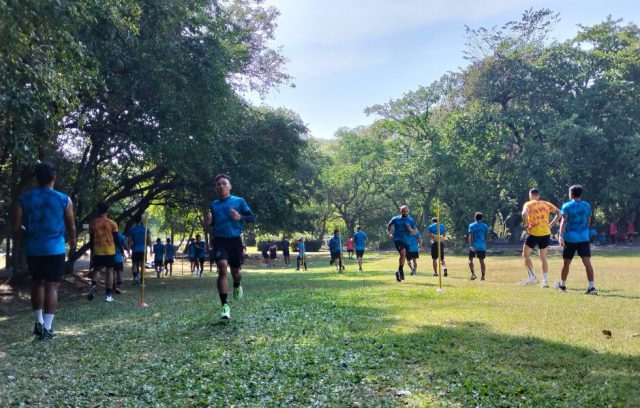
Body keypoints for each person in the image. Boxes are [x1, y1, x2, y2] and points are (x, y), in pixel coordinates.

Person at [14, 161, 76, 340]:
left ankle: (38, 322)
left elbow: (17, 227)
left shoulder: (24, 199)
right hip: (55, 249)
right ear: (53, 178)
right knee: (52, 287)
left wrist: (29, 231)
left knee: (37, 283)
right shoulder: (64, 199)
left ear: (37, 179)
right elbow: (70, 226)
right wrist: (72, 242)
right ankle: (47, 328)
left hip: (33, 249)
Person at [205, 174, 254, 320]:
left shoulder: (239, 201)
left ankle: (237, 284)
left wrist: (240, 217)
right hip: (220, 241)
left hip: (235, 241)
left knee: (236, 272)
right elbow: (214, 223)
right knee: (222, 269)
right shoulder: (213, 205)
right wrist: (209, 223)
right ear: (215, 187)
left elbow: (252, 217)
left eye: (224, 183)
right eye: (218, 184)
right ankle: (225, 306)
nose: (221, 186)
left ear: (229, 186)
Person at [555, 185, 598, 295]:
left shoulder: (567, 205)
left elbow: (564, 221)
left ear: (571, 194)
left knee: (566, 263)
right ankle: (592, 287)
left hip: (570, 238)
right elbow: (588, 221)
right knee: (587, 263)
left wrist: (560, 235)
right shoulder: (587, 206)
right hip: (584, 238)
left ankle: (563, 285)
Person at [520, 188, 561, 287]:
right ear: (539, 195)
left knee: (525, 255)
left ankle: (532, 277)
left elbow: (523, 213)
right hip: (545, 233)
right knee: (543, 258)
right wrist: (551, 224)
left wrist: (526, 225)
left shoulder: (528, 204)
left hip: (533, 233)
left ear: (531, 195)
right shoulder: (546, 204)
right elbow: (559, 213)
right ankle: (545, 281)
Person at [88, 202, 119, 302]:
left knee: (97, 270)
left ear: (98, 211)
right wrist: (121, 250)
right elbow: (116, 238)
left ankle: (93, 285)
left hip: (97, 250)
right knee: (110, 271)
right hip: (110, 250)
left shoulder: (93, 223)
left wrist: (92, 251)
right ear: (107, 211)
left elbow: (91, 239)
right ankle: (108, 295)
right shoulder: (112, 223)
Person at [387, 205, 418, 282]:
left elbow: (415, 232)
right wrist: (389, 233)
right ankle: (401, 271)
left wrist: (410, 229)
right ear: (400, 211)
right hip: (397, 239)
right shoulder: (395, 219)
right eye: (404, 211)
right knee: (403, 253)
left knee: (403, 256)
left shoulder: (411, 220)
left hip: (406, 241)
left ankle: (398, 272)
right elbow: (389, 225)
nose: (406, 212)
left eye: (407, 211)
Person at [128, 215, 150, 285]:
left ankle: (135, 277)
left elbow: (129, 240)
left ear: (134, 221)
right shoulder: (146, 229)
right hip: (143, 249)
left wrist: (128, 249)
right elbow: (149, 239)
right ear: (141, 220)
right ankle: (142, 280)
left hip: (135, 249)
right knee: (142, 265)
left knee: (134, 264)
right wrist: (151, 247)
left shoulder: (132, 229)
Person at [468, 212, 489, 281]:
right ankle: (483, 276)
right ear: (482, 218)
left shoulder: (471, 225)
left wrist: (471, 245)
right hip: (482, 246)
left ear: (475, 218)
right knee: (482, 261)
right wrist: (485, 246)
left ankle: (473, 274)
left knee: (470, 260)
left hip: (474, 246)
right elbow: (486, 237)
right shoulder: (485, 226)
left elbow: (471, 236)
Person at [113, 229, 127, 293]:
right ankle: (119, 287)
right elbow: (125, 245)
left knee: (112, 273)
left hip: (110, 257)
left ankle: (113, 287)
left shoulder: (109, 235)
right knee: (119, 273)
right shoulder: (122, 236)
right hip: (118, 258)